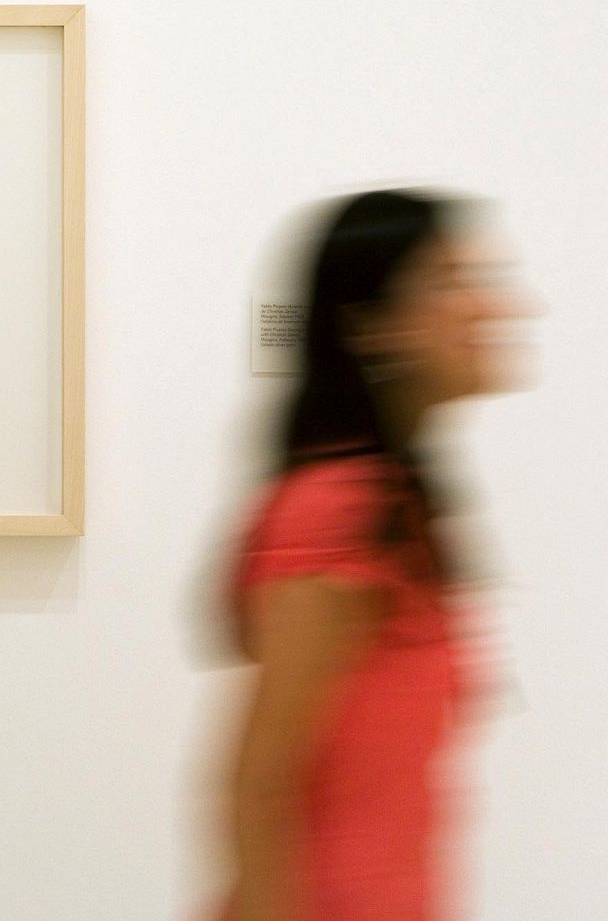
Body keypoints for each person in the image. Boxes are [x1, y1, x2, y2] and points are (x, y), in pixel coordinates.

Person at [217, 189, 527, 920]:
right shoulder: (336, 510)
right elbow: (259, 785)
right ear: (370, 326)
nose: (493, 307)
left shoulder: (403, 506)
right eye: (451, 282)